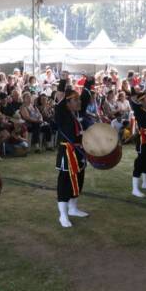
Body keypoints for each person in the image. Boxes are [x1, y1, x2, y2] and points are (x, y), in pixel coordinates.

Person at [55, 90, 88, 228]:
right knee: (65, 182)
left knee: (79, 180)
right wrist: (62, 82)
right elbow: (59, 103)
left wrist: (88, 83)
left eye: (78, 99)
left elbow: (86, 98)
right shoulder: (62, 114)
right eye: (75, 100)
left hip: (79, 152)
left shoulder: (74, 115)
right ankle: (63, 215)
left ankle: (73, 209)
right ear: (67, 103)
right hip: (67, 153)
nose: (79, 102)